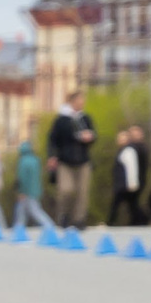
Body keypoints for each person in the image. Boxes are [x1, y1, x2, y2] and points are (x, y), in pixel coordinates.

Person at [47, 91, 95, 228]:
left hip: (83, 160)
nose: (82, 102)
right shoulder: (62, 120)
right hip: (65, 161)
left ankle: (79, 220)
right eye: (80, 100)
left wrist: (90, 137)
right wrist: (52, 156)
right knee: (65, 190)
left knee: (82, 191)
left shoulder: (85, 119)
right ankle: (63, 216)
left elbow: (93, 135)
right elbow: (52, 139)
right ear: (73, 101)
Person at [109, 125, 146, 226]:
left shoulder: (128, 151)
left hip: (125, 184)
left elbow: (132, 168)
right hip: (122, 183)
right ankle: (141, 220)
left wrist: (132, 183)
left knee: (117, 203)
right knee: (132, 205)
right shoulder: (122, 151)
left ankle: (110, 222)